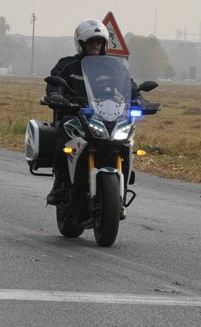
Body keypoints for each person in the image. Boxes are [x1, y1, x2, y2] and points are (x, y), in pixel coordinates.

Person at [43, 19, 137, 205]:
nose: (96, 45)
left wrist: (139, 99)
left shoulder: (114, 66)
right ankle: (59, 183)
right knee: (64, 137)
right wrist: (56, 95)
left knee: (126, 144)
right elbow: (55, 82)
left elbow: (129, 85)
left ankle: (121, 189)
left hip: (107, 116)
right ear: (81, 44)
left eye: (99, 41)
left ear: (104, 44)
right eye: (91, 41)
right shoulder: (67, 65)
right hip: (76, 115)